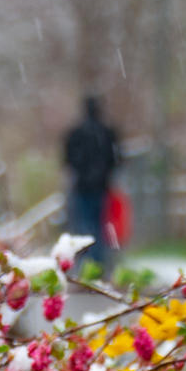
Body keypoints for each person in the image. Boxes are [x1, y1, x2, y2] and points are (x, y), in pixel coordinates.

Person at [62, 94, 121, 274]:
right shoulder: (107, 133)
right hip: (101, 187)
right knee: (99, 225)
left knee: (85, 225)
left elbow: (67, 160)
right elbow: (115, 159)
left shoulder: (76, 133)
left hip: (82, 188)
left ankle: (87, 264)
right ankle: (97, 264)